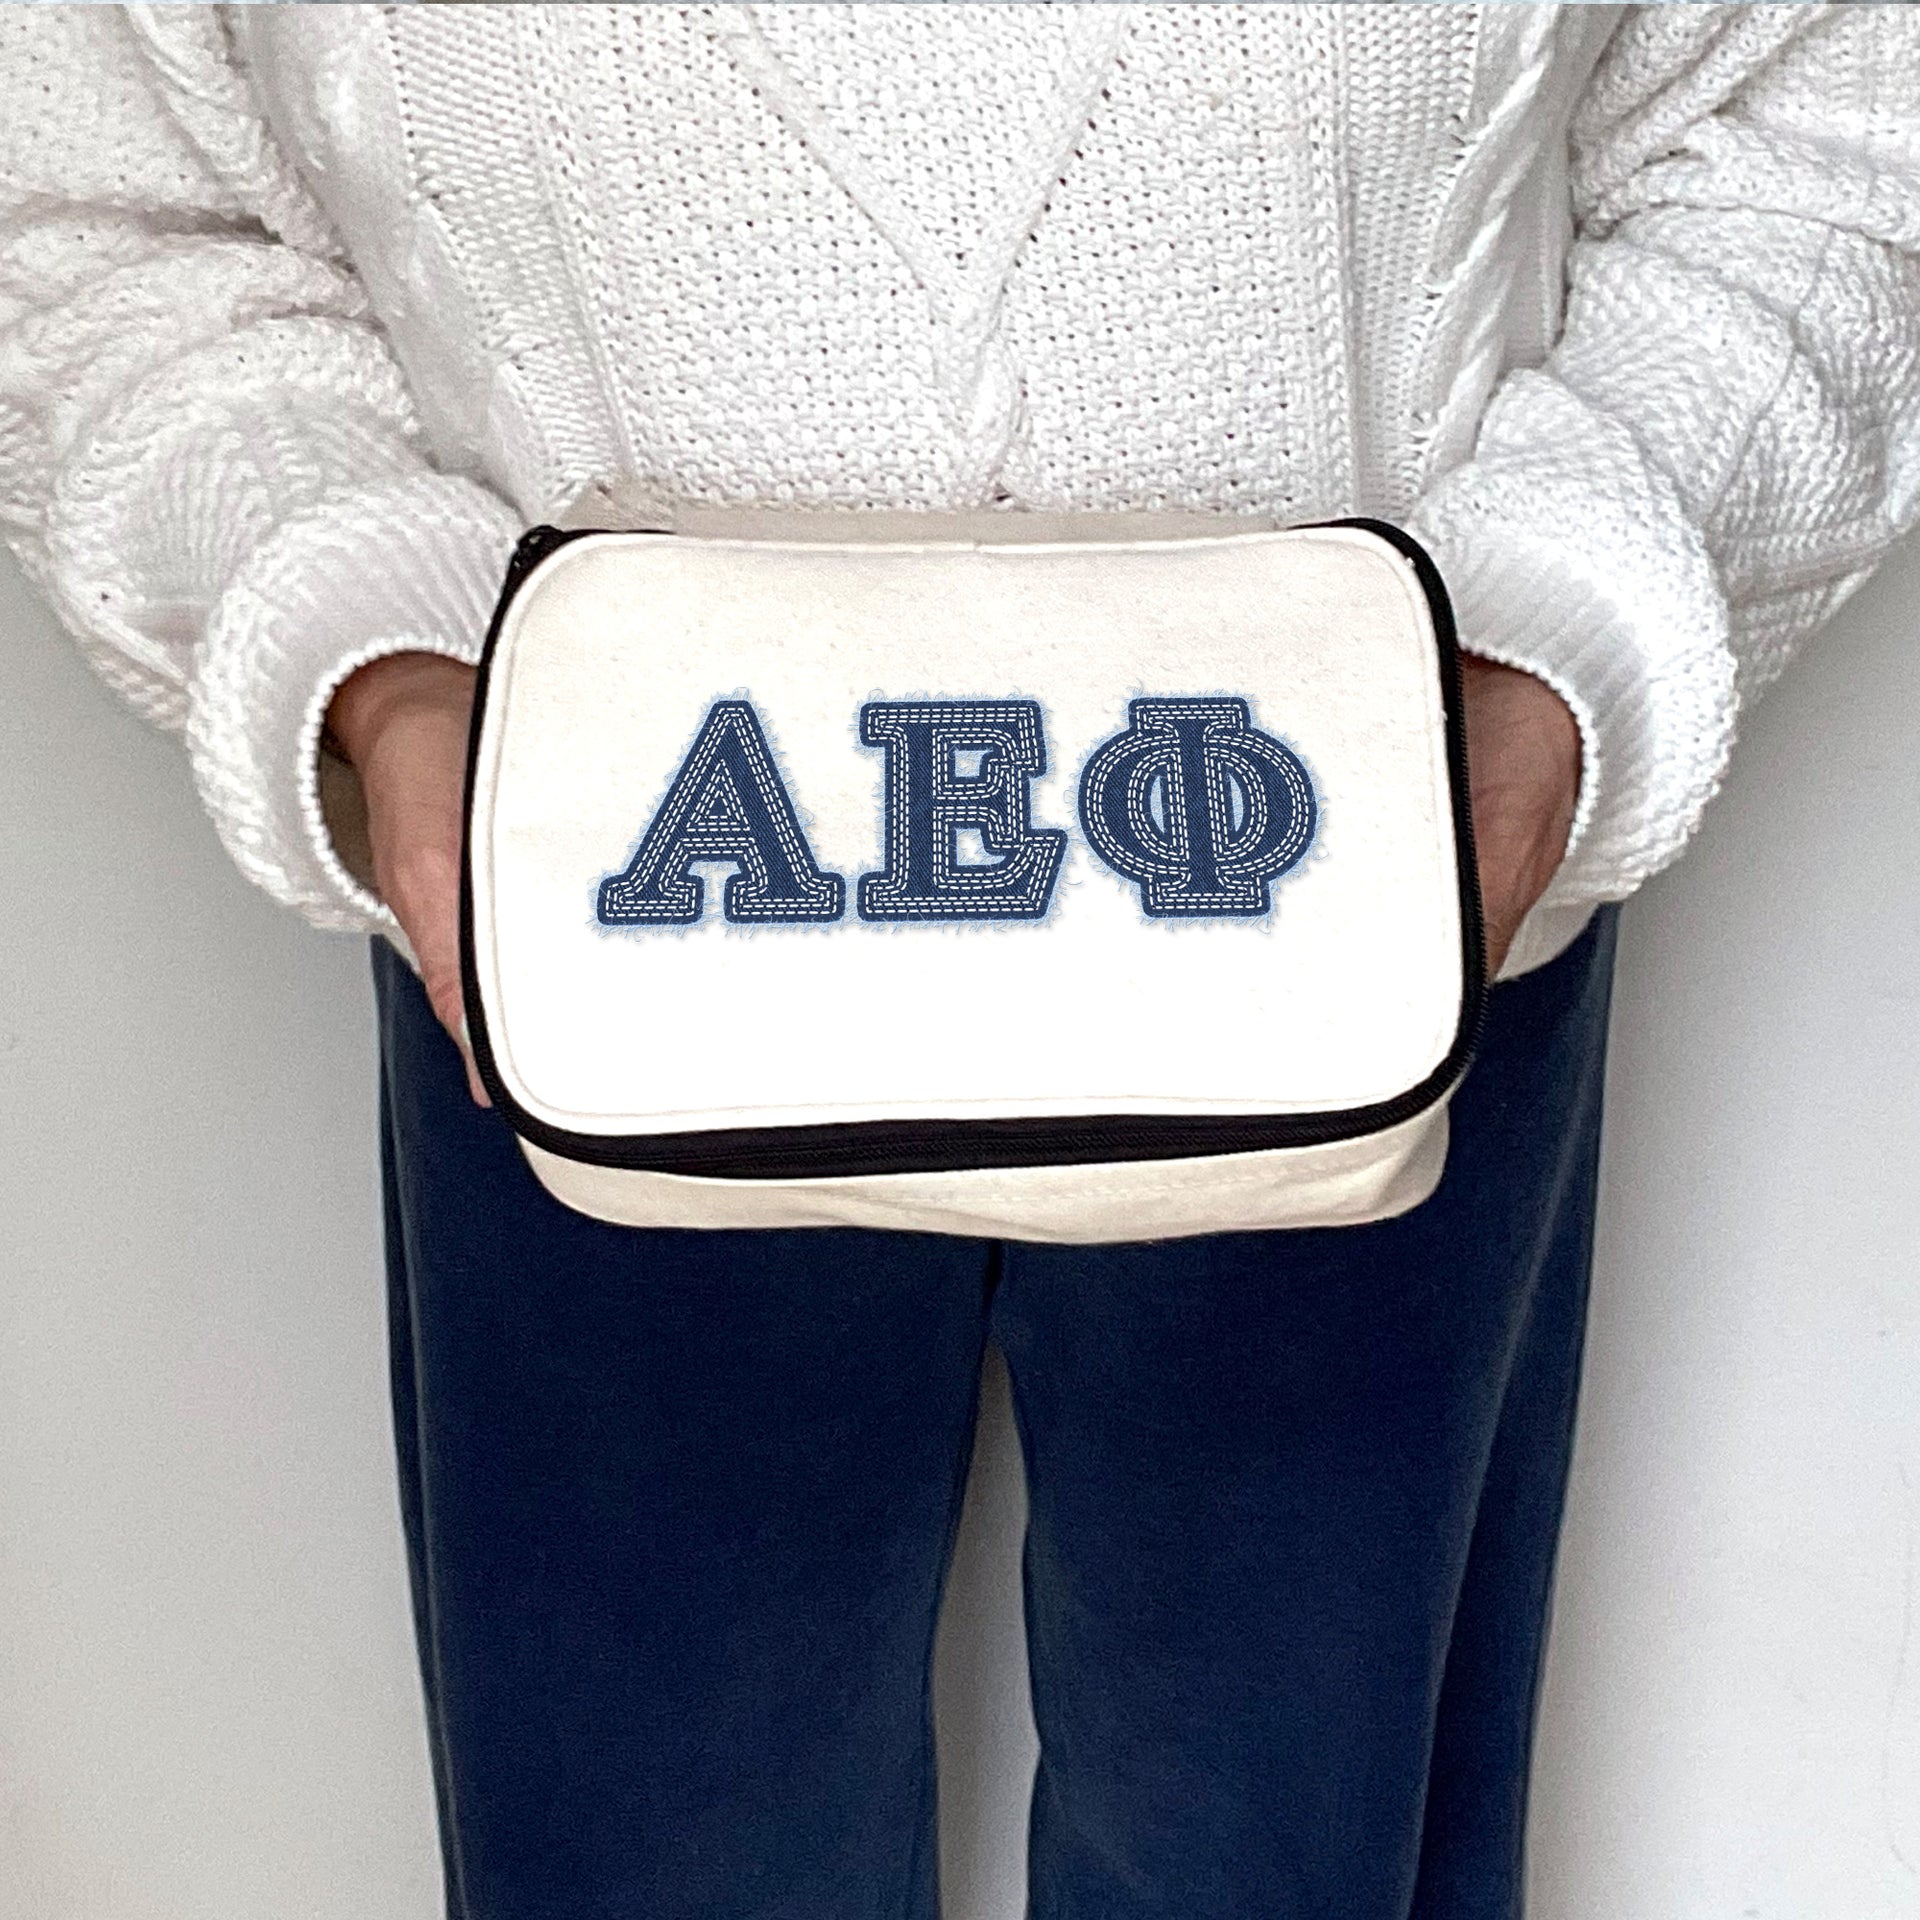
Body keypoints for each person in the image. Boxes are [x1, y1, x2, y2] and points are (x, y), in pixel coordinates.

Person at [4, 4, 1915, 1915]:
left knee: (1295, 1854)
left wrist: (1559, 642)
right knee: (650, 1854)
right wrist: (376, 655)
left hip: (1367, 873)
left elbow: (1839, 101)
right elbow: (95, 199)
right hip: (605, 904)